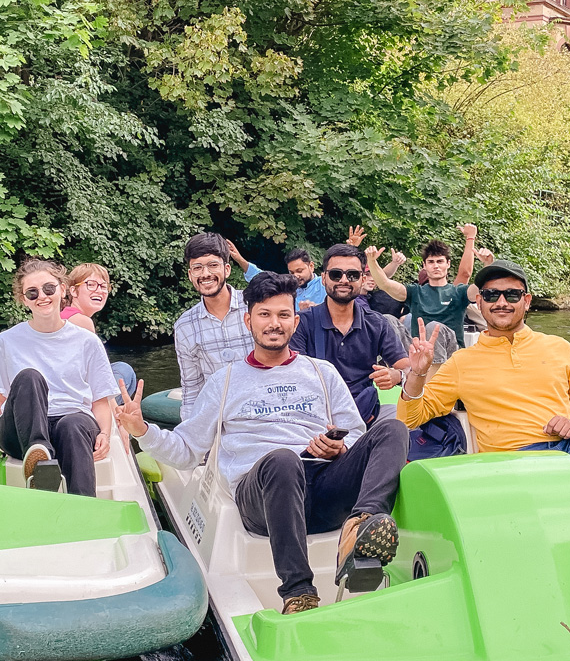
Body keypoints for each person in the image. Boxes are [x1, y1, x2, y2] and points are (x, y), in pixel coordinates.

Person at [121, 273, 409, 614]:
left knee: (393, 430)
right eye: (265, 314)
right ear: (249, 321)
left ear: (295, 322)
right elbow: (186, 452)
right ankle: (299, 593)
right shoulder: (225, 381)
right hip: (261, 494)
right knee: (282, 460)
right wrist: (142, 430)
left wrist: (340, 448)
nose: (275, 323)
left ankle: (360, 527)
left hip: (323, 487)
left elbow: (357, 434)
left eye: (283, 315)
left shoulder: (322, 372)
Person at [396, 258, 570, 555]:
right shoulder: (461, 362)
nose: (502, 302)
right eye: (492, 295)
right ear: (479, 302)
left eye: (512, 294)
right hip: (513, 467)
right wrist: (417, 374)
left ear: (527, 301)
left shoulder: (559, 347)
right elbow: (410, 418)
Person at [0, 258, 117, 496]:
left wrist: (105, 435)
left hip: (71, 423)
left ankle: (83, 506)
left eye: (49, 288)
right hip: (20, 431)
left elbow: (100, 401)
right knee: (29, 377)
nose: (42, 296)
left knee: (73, 424)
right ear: (23, 299)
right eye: (32, 292)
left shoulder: (87, 341)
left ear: (63, 289)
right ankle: (38, 455)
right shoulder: (6, 341)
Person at [290, 244, 410, 426]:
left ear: (362, 279)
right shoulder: (303, 323)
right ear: (323, 278)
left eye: (352, 275)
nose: (344, 280)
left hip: (365, 413)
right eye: (335, 274)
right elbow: (294, 377)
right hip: (316, 417)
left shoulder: (376, 323)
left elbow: (407, 368)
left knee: (399, 423)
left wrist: (398, 375)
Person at [174, 233, 254, 418]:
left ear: (227, 269)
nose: (205, 274)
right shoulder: (184, 327)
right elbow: (191, 389)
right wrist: (188, 429)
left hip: (262, 411)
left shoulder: (255, 307)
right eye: (197, 267)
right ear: (190, 275)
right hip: (219, 418)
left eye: (213, 265)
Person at [366, 224, 481, 344]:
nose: (436, 266)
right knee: (388, 319)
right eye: (431, 262)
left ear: (448, 264)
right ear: (424, 265)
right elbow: (384, 284)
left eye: (440, 261)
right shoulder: (415, 292)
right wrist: (371, 261)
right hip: (419, 350)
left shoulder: (459, 292)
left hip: (450, 351)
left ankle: (430, 356)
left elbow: (479, 286)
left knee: (433, 326)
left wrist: (488, 263)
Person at [61, 262, 138, 399]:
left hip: (67, 387)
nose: (99, 290)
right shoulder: (81, 322)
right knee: (124, 370)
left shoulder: (64, 316)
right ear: (73, 291)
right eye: (91, 284)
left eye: (103, 286)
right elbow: (98, 374)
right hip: (74, 393)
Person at [227, 242, 326, 310]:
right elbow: (263, 278)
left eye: (299, 271)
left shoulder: (325, 284)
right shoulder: (288, 287)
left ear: (311, 266)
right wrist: (239, 259)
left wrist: (315, 309)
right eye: (292, 273)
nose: (296, 276)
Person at [362, 248, 407, 318]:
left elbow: (383, 278)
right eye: (367, 274)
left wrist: (395, 263)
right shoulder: (351, 300)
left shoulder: (369, 296)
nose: (372, 279)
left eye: (373, 275)